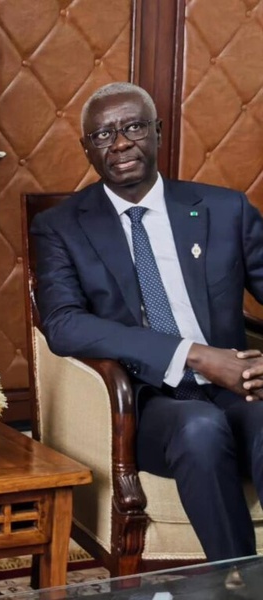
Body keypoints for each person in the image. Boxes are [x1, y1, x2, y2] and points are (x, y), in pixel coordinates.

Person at [31, 81, 263, 562]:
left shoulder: (225, 209)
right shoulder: (61, 226)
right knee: (200, 429)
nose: (119, 143)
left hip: (235, 386)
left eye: (133, 126)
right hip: (143, 398)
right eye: (103, 135)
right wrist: (193, 355)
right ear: (88, 150)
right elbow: (63, 323)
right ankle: (237, 580)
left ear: (156, 132)